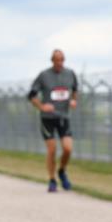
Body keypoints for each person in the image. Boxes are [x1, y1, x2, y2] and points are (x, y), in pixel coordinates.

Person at [28, 49, 78, 191]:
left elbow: (75, 91)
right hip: (48, 118)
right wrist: (42, 106)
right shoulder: (44, 76)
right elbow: (31, 95)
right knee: (52, 149)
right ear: (52, 60)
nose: (59, 63)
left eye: (62, 60)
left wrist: (74, 101)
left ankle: (61, 171)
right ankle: (52, 180)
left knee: (68, 148)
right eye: (57, 60)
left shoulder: (70, 74)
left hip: (63, 117)